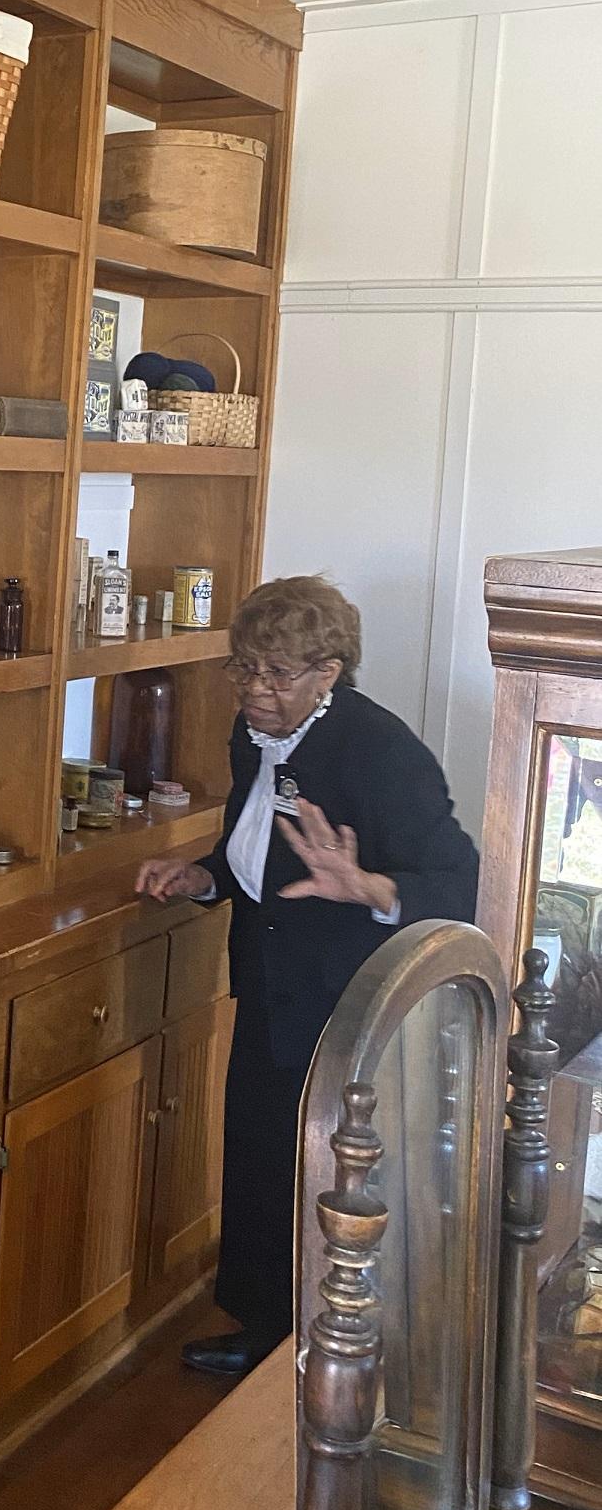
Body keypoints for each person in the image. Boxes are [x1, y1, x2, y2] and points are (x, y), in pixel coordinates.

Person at [136, 575, 479, 1380]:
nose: (255, 691)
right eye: (243, 669)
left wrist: (367, 889)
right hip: (265, 982)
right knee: (259, 1157)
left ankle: (337, 1349)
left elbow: (458, 879)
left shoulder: (378, 750)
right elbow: (247, 846)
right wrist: (203, 878)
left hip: (342, 997)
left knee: (328, 1176)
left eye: (276, 675)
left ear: (327, 672)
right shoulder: (252, 731)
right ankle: (265, 1333)